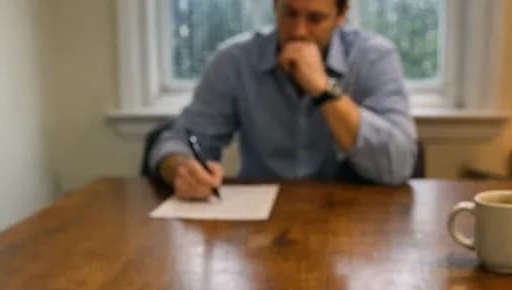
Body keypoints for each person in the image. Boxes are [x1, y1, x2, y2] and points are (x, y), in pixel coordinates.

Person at [149, 0, 418, 200]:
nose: (299, 31)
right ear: (274, 6)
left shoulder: (374, 57)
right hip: (258, 221)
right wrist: (182, 169)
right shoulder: (235, 60)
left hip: (352, 220)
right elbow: (178, 140)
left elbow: (399, 164)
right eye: (289, 13)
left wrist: (323, 88)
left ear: (341, 15)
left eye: (315, 19)